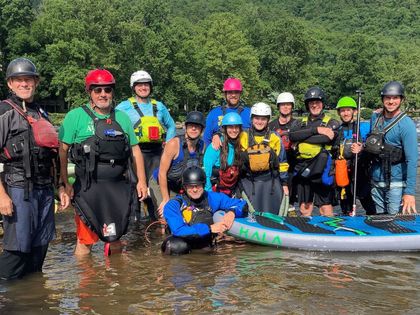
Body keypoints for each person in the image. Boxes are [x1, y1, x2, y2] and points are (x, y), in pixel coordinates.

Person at [58, 69, 148, 256]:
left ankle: (115, 280)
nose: (103, 94)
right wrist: (65, 183)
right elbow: (62, 151)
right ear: (90, 92)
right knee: (85, 241)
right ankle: (88, 283)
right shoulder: (75, 116)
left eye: (107, 90)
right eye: (97, 90)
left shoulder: (121, 117)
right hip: (88, 188)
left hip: (117, 187)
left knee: (115, 238)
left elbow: (135, 150)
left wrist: (142, 181)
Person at [0, 58, 58, 279]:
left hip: (43, 189)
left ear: (36, 82)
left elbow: (53, 156)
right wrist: (1, 196)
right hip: (17, 188)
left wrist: (60, 187)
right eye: (18, 80)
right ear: (10, 84)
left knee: (39, 250)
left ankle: (33, 300)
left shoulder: (42, 113)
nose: (24, 84)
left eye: (28, 80)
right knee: (17, 250)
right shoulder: (4, 111)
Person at [116, 70, 176, 220]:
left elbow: (172, 126)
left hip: (157, 154)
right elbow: (112, 124)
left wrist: (168, 143)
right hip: (135, 154)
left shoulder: (159, 106)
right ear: (134, 87)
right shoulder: (123, 107)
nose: (143, 87)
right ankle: (134, 225)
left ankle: (158, 220)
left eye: (146, 84)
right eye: (139, 85)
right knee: (135, 191)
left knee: (155, 191)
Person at [161, 166, 247, 255]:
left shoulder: (212, 197)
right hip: (183, 242)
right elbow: (178, 230)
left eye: (198, 185)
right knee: (176, 246)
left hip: (205, 243)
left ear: (203, 184)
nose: (194, 190)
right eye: (191, 186)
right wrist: (209, 229)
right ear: (185, 187)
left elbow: (242, 204)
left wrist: (232, 212)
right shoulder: (173, 205)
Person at [365, 81, 417, 215]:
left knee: (394, 222)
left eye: (395, 98)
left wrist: (409, 193)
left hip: (396, 183)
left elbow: (412, 160)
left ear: (401, 100)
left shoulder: (406, 125)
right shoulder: (375, 117)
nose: (391, 101)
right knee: (379, 221)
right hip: (376, 181)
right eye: (387, 98)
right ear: (382, 99)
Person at [289, 87, 340, 217]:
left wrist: (303, 138)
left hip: (322, 170)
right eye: (311, 102)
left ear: (322, 103)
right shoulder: (299, 123)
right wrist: (316, 130)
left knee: (325, 208)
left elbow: (327, 138)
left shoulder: (332, 122)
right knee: (305, 209)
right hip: (304, 170)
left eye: (317, 102)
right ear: (307, 105)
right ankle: (306, 233)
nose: (314, 105)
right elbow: (292, 136)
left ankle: (330, 233)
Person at [150, 111, 205, 217]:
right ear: (185, 127)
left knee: (189, 215)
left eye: (197, 126)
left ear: (202, 130)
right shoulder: (174, 144)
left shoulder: (202, 145)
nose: (193, 129)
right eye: (191, 126)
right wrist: (165, 199)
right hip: (160, 182)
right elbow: (162, 173)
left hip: (178, 186)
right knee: (166, 215)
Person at [239, 102, 289, 214]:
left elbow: (282, 163)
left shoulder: (274, 137)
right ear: (252, 118)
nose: (259, 122)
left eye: (263, 119)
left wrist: (284, 184)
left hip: (270, 182)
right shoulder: (243, 136)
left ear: (268, 120)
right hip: (249, 182)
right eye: (257, 118)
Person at [332, 96, 376, 215]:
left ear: (354, 111)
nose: (345, 113)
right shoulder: (338, 129)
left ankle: (372, 220)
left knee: (367, 201)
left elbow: (374, 145)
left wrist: (363, 147)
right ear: (339, 113)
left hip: (360, 170)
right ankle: (347, 216)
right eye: (342, 110)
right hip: (343, 171)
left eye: (348, 110)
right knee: (345, 202)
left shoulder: (364, 127)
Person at [268, 92, 297, 213]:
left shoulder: (298, 124)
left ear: (292, 106)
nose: (285, 107)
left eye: (288, 104)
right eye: (282, 104)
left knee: (290, 202)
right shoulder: (271, 125)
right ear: (278, 106)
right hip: (275, 168)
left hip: (293, 168)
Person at [203, 78, 251, 149]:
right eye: (230, 92)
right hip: (221, 156)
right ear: (225, 94)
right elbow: (207, 139)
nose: (233, 95)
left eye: (236, 92)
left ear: (240, 94)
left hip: (244, 156)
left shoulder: (249, 113)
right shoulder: (214, 113)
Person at [203, 112, 243, 196]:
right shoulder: (215, 146)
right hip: (217, 190)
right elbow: (207, 172)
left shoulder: (240, 145)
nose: (234, 130)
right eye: (230, 127)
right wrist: (209, 193)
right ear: (224, 128)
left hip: (232, 189)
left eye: (237, 127)